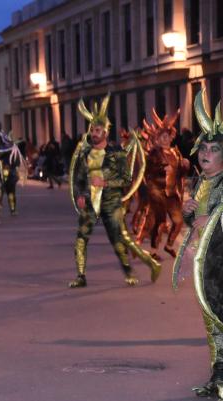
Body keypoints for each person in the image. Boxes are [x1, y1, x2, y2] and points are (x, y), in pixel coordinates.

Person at [69, 94, 160, 288]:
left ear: (105, 132)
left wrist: (106, 183)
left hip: (111, 201)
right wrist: (79, 195)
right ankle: (81, 276)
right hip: (90, 201)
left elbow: (126, 179)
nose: (94, 133)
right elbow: (78, 178)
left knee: (119, 240)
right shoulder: (84, 153)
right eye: (92, 130)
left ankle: (135, 269)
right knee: (80, 238)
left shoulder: (116, 153)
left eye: (98, 130)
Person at [174, 91, 223, 399]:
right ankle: (218, 378)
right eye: (203, 148)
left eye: (214, 149)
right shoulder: (198, 181)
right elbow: (190, 222)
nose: (205, 154)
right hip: (203, 265)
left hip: (220, 261)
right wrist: (189, 212)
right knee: (211, 323)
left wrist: (215, 218)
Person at [139, 109, 189, 258]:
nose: (166, 139)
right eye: (163, 137)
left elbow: (180, 173)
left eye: (168, 136)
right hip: (157, 192)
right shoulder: (154, 154)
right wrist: (161, 168)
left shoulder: (176, 153)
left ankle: (168, 245)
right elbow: (147, 171)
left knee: (178, 222)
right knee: (160, 222)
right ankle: (154, 251)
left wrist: (184, 165)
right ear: (158, 139)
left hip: (172, 193)